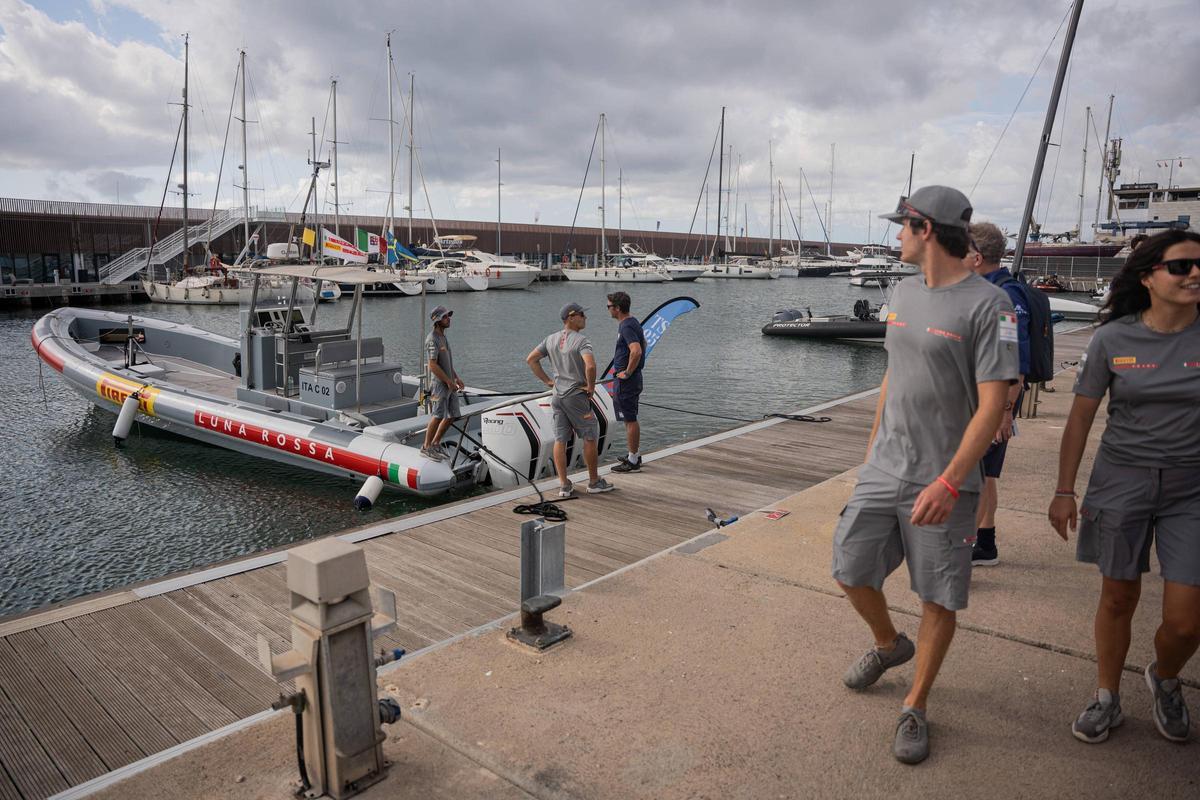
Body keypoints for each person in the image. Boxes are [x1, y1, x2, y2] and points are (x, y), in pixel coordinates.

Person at [831, 186, 1018, 764]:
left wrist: (949, 480)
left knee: (939, 596)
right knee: (849, 565)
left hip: (945, 478)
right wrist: (870, 451)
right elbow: (895, 372)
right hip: (885, 465)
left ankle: (915, 704)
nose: (896, 237)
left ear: (926, 229)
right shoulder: (903, 290)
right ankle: (889, 644)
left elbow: (992, 406)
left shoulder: (992, 306)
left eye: (902, 227)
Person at [1049, 229, 1200, 745]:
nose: (1195, 274)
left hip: (1192, 489)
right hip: (1122, 482)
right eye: (1181, 267)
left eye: (1199, 266)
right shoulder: (1113, 338)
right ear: (1149, 277)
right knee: (1118, 595)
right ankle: (1107, 696)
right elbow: (1080, 419)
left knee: (1186, 622)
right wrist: (1064, 490)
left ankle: (1163, 676)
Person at [963, 222, 1030, 566]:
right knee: (985, 476)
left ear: (976, 256)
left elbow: (1016, 357)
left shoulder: (1007, 296)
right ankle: (985, 544)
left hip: (992, 405)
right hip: (981, 401)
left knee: (971, 480)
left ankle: (960, 556)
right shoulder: (982, 289)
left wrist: (1005, 412)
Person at [526, 302, 615, 497]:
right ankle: (593, 482)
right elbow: (590, 366)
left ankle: (564, 485)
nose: (585, 318)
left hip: (557, 396)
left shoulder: (550, 339)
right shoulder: (582, 340)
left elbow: (531, 359)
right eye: (582, 314)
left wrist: (548, 381)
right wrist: (591, 388)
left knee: (560, 440)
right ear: (571, 316)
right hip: (576, 396)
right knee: (590, 437)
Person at [607, 291, 646, 472]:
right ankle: (634, 455)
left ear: (618, 308)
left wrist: (627, 372)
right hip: (631, 379)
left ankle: (632, 461)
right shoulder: (632, 322)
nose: (608, 310)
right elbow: (644, 342)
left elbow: (637, 350)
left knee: (630, 419)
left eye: (609, 306)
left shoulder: (626, 326)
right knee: (629, 418)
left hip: (627, 381)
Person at [421, 305, 463, 461]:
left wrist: (456, 378)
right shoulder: (432, 339)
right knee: (438, 415)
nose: (449, 319)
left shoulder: (444, 337)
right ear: (438, 321)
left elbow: (447, 362)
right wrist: (447, 381)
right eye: (445, 317)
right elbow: (433, 365)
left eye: (448, 316)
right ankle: (426, 447)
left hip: (450, 384)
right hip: (440, 385)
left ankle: (436, 443)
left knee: (453, 415)